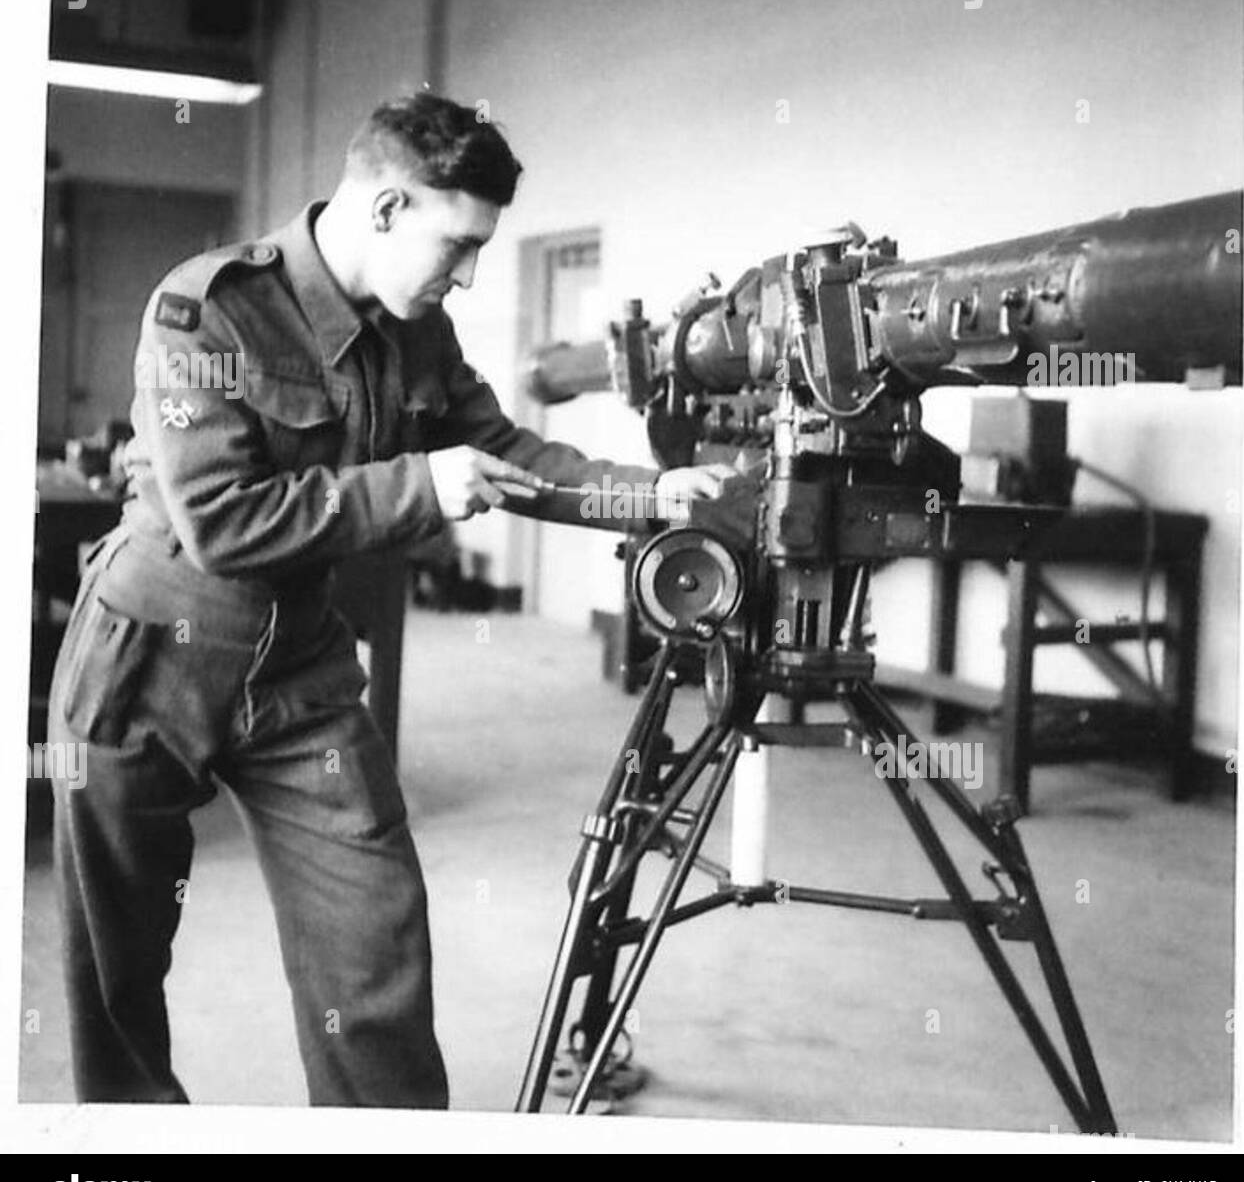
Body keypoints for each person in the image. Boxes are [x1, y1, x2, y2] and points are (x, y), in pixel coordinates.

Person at [48, 90, 735, 1107]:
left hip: (300, 668)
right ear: (382, 210)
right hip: (151, 653)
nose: (465, 274)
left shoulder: (418, 334)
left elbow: (506, 451)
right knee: (119, 967)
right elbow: (219, 520)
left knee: (373, 944)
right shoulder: (206, 307)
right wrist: (419, 485)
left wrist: (646, 492)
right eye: (455, 245)